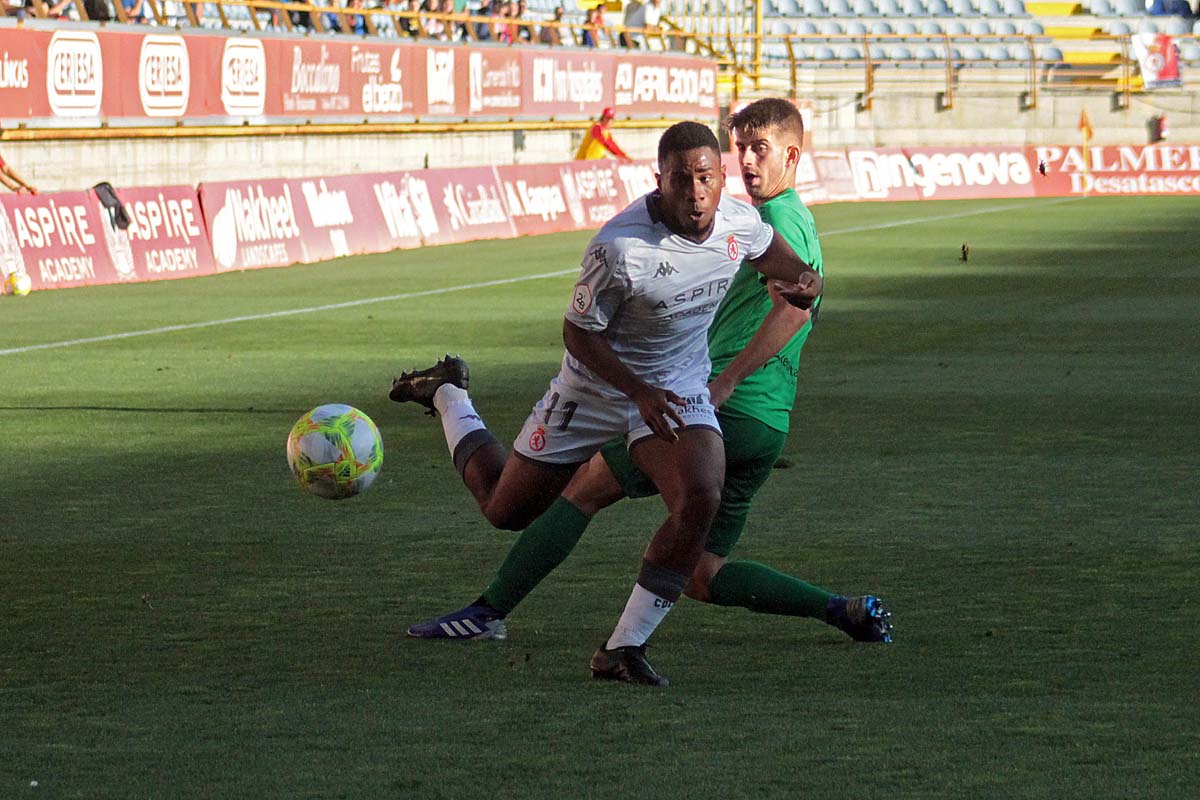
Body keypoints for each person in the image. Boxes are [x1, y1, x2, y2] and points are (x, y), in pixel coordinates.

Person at [407, 99, 892, 682]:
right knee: (505, 508)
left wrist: (802, 280)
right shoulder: (619, 248)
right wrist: (637, 392)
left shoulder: (744, 220)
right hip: (595, 390)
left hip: (682, 386)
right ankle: (450, 397)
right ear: (658, 183)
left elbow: (778, 263)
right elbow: (576, 334)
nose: (696, 191)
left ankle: (621, 648)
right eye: (681, 179)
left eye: (708, 176)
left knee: (699, 493)